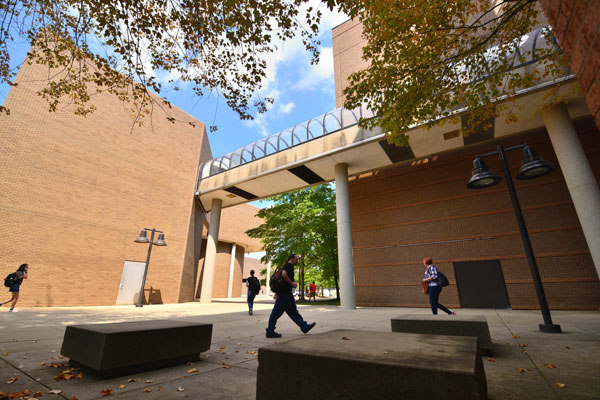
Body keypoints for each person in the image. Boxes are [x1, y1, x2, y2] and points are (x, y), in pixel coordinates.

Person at [266, 254, 316, 338]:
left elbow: (281, 281)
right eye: (296, 259)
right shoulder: (289, 265)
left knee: (293, 312)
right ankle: (270, 331)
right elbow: (283, 274)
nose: (297, 261)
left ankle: (304, 326)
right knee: (276, 312)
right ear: (291, 259)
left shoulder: (287, 266)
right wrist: (291, 283)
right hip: (284, 295)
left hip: (286, 294)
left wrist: (277, 292)